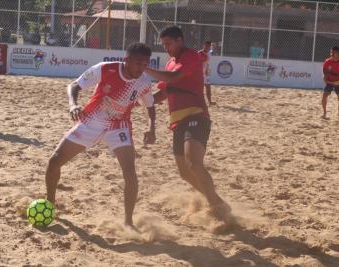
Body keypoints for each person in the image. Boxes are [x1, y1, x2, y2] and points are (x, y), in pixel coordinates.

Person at [45, 43, 156, 227]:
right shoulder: (105, 69)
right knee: (54, 161)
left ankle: (128, 222)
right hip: (90, 122)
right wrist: (73, 105)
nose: (142, 68)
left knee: (130, 173)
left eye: (145, 64)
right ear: (126, 60)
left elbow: (150, 106)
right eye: (138, 63)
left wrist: (151, 127)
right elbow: (74, 86)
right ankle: (50, 204)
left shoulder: (143, 82)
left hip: (119, 127)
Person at [144, 26, 230, 220]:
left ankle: (216, 204)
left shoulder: (190, 56)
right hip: (177, 121)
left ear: (180, 40)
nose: (166, 48)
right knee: (184, 173)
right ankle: (215, 199)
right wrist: (138, 100)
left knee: (194, 163)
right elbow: (164, 93)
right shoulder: (170, 63)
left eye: (169, 44)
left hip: (196, 115)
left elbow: (174, 78)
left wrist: (144, 68)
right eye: (163, 44)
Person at [322, 46, 339, 119]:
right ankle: (324, 113)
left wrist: (338, 82)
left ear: (338, 53)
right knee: (324, 95)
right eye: (331, 52)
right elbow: (324, 79)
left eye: (333, 52)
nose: (331, 53)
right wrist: (333, 83)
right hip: (330, 82)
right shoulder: (327, 62)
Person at [198, 41, 216, 105]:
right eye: (206, 46)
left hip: (206, 73)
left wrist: (207, 70)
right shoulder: (199, 53)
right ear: (203, 46)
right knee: (199, 88)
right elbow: (196, 63)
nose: (207, 48)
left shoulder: (209, 53)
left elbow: (207, 62)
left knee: (208, 87)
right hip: (199, 73)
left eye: (209, 46)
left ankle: (210, 102)